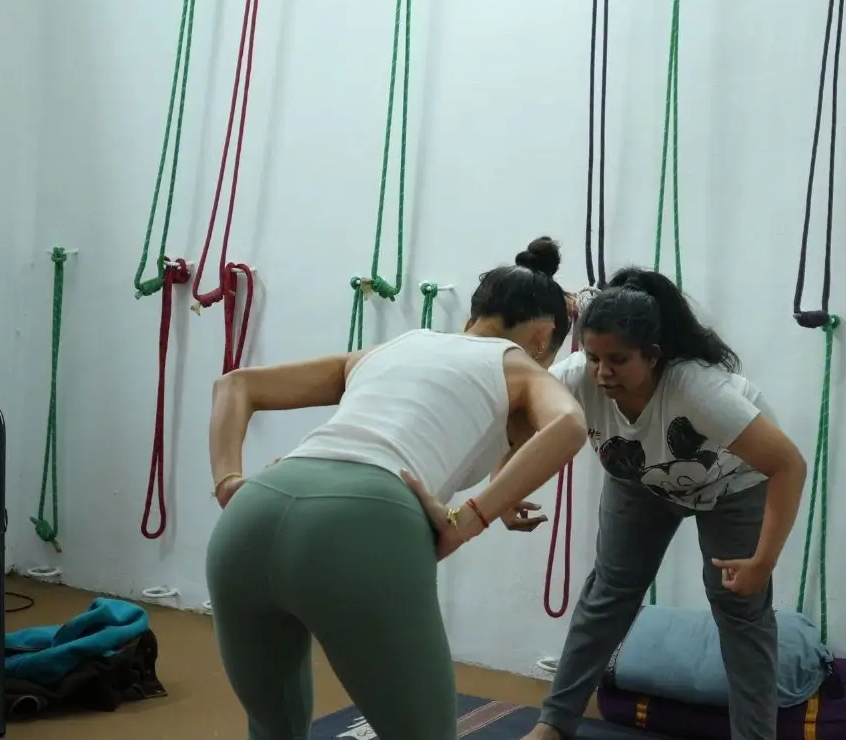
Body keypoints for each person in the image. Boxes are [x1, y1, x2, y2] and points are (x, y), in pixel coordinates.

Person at [204, 237, 588, 740]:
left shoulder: (393, 348)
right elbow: (568, 427)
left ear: (473, 315)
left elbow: (236, 385)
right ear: (543, 336)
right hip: (362, 525)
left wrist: (230, 482)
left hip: (250, 517)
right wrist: (468, 520)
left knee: (275, 728)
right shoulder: (516, 364)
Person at [515, 267, 807, 740]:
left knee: (740, 610)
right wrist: (504, 492)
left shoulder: (699, 390)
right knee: (608, 594)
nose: (603, 372)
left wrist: (763, 561)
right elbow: (517, 417)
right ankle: (554, 723)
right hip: (640, 482)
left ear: (653, 356)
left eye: (618, 359)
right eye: (593, 358)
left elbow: (789, 465)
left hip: (734, 486)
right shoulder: (576, 378)